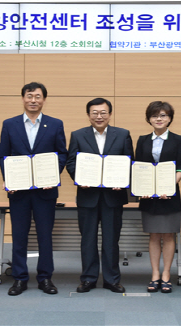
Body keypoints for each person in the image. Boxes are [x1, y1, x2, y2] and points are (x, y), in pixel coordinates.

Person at [0, 82, 67, 296]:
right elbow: (3, 156)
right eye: (29, 96)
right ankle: (19, 278)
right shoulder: (9, 124)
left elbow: (61, 154)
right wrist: (9, 178)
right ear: (23, 99)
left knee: (45, 235)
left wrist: (53, 176)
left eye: (38, 96)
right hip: (19, 191)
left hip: (45, 191)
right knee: (19, 235)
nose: (33, 100)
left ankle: (45, 278)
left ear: (44, 99)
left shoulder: (55, 124)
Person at [66, 98, 134, 293]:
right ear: (88, 115)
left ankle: (112, 279)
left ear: (110, 114)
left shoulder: (123, 135)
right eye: (95, 112)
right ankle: (88, 278)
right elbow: (71, 162)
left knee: (111, 240)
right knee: (87, 239)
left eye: (103, 112)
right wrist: (79, 178)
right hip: (88, 195)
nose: (99, 116)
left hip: (113, 197)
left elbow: (129, 162)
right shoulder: (78, 135)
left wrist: (122, 181)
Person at [135, 101, 181, 293]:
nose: (159, 119)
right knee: (154, 235)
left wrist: (168, 186)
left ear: (170, 118)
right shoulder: (142, 140)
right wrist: (143, 187)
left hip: (169, 194)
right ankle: (155, 274)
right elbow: (138, 167)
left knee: (169, 234)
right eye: (155, 115)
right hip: (148, 196)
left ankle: (166, 274)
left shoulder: (179, 140)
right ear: (149, 118)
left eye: (163, 115)